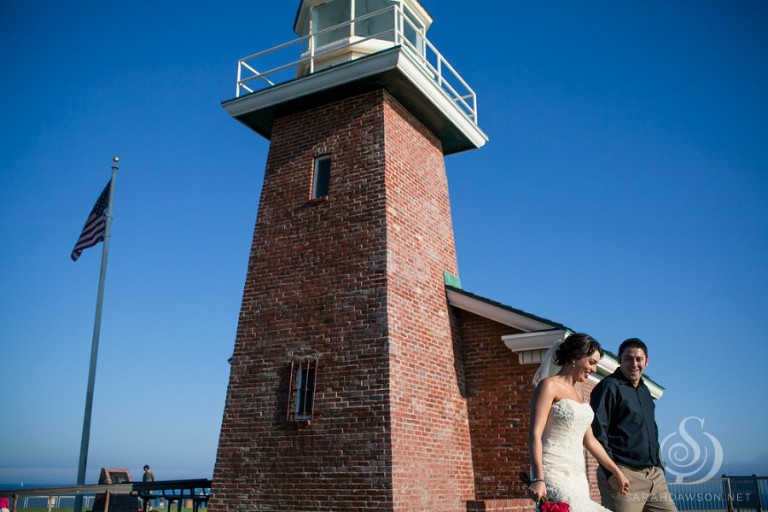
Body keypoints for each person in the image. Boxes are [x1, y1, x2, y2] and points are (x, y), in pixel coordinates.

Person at [529, 333, 630, 511]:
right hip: (552, 471)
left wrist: (616, 471)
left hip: (577, 475)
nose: (594, 369)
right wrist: (538, 478)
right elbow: (535, 434)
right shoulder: (549, 386)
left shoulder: (580, 395)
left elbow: (590, 440)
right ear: (575, 357)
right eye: (591, 362)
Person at [590, 338, 678, 512]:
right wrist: (612, 472)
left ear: (647, 361)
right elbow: (598, 431)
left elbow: (652, 430)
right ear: (619, 360)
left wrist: (659, 467)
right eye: (628, 358)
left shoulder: (645, 391)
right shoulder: (608, 387)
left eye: (639, 359)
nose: (634, 363)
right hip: (623, 474)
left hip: (654, 475)